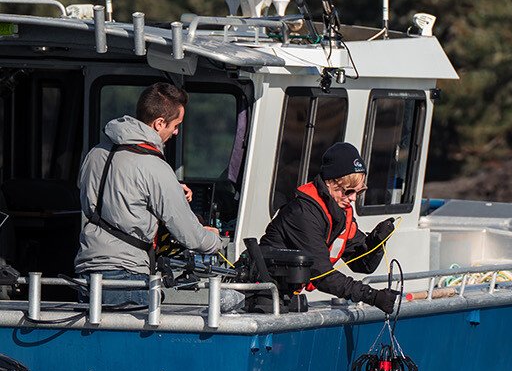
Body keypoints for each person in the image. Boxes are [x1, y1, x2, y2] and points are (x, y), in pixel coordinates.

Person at [76, 82, 229, 307]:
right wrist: (215, 240)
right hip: (126, 276)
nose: (176, 132)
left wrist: (167, 189)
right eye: (176, 125)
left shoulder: (96, 153)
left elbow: (104, 194)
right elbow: (191, 236)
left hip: (86, 274)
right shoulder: (154, 167)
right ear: (159, 123)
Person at [258, 142, 399, 313]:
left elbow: (362, 265)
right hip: (261, 293)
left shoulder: (340, 214)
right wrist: (371, 296)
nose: (353, 198)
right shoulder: (303, 213)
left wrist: (377, 241)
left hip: (283, 297)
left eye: (359, 192)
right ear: (330, 182)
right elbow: (320, 274)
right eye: (347, 191)